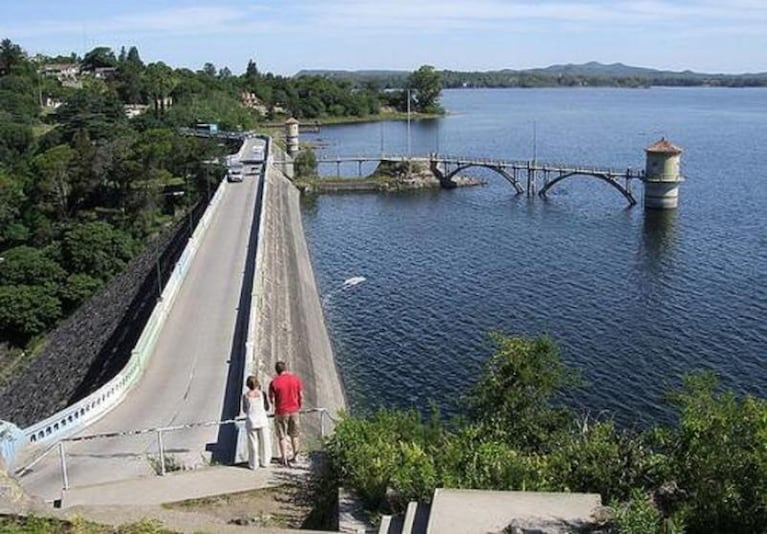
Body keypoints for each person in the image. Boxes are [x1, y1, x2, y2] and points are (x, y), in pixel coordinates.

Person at [269, 361, 303, 466]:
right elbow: (301, 395)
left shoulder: (274, 382)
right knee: (295, 435)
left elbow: (271, 399)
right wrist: (298, 406)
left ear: (277, 370)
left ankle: (284, 458)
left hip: (281, 411)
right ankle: (295, 457)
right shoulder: (295, 379)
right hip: (294, 410)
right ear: (285, 368)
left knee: (282, 436)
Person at [242, 375, 271, 470]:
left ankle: (253, 464)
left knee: (253, 444)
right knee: (265, 442)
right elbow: (267, 407)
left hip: (251, 421)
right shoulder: (262, 393)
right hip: (262, 420)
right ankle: (265, 461)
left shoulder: (245, 396)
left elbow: (245, 410)